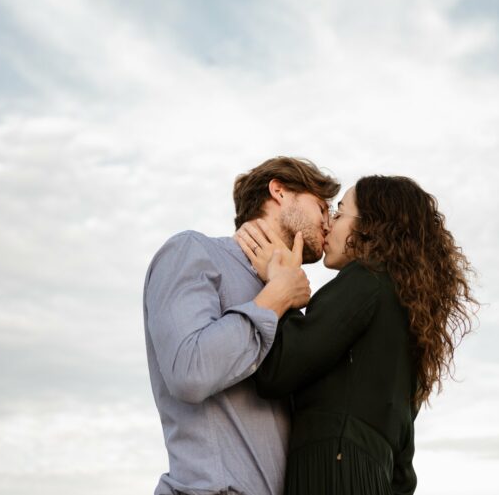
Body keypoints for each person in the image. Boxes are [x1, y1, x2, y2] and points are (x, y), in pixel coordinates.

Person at [236, 175, 478, 495]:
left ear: (369, 225)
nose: (329, 224)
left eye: (340, 212)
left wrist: (282, 286)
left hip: (332, 473)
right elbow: (403, 471)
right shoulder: (408, 319)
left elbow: (277, 369)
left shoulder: (365, 281)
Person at [142, 156, 340, 495]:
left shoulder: (295, 307)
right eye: (321, 208)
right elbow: (189, 370)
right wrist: (276, 296)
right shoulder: (193, 251)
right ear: (279, 190)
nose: (328, 224)